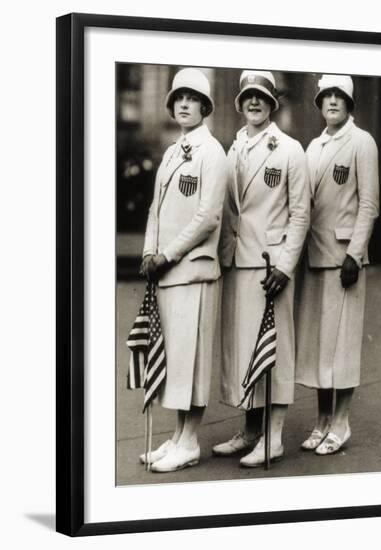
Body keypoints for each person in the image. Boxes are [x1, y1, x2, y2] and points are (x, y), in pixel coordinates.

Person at [213, 70, 310, 467]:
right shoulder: (233, 149)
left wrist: (286, 266)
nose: (254, 102)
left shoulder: (289, 149)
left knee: (276, 350)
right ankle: (251, 430)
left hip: (271, 265)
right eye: (248, 96)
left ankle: (274, 437)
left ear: (272, 104)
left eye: (262, 97)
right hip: (238, 260)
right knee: (244, 350)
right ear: (240, 103)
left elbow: (301, 214)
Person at [138, 68, 227, 472]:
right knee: (174, 356)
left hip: (192, 269)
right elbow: (156, 209)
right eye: (179, 99)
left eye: (193, 99)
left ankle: (190, 440)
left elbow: (208, 217)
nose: (185, 105)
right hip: (167, 270)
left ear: (206, 107)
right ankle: (177, 436)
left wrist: (168, 254)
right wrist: (147, 251)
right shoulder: (173, 152)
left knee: (191, 358)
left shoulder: (212, 152)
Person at [295, 74, 379, 455]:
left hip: (343, 258)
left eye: (338, 95)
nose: (331, 101)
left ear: (349, 103)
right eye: (325, 95)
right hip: (313, 257)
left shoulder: (362, 142)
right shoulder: (313, 146)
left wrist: (354, 253)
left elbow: (369, 204)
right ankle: (322, 420)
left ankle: (341, 423)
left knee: (341, 346)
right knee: (319, 346)